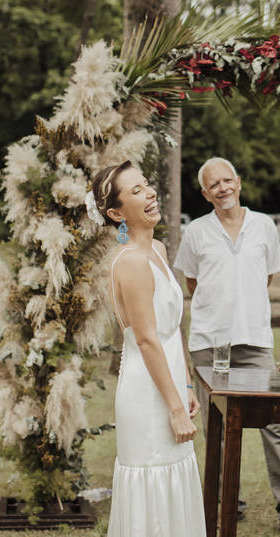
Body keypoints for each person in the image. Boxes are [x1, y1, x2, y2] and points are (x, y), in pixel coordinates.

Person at [175, 157, 280, 537]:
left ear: (239, 182)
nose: (223, 188)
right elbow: (193, 284)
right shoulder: (195, 231)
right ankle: (228, 503)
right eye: (215, 184)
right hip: (210, 343)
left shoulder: (263, 226)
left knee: (275, 423)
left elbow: (268, 276)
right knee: (220, 427)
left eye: (228, 180)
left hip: (256, 339)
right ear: (204, 193)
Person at [91, 161, 205, 537]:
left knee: (176, 479)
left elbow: (172, 330)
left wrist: (186, 387)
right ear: (116, 213)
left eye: (147, 185)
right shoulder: (131, 262)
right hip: (147, 393)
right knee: (153, 488)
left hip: (171, 382)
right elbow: (146, 339)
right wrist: (174, 409)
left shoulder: (156, 248)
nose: (150, 192)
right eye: (136, 191)